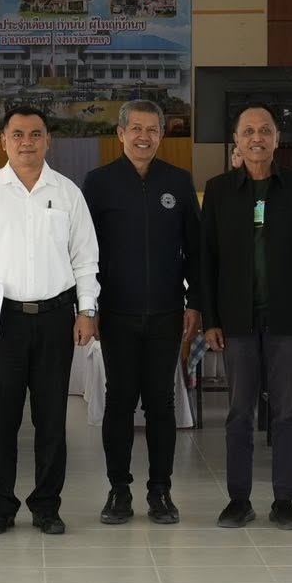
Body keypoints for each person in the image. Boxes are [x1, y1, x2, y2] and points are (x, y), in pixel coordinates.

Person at [0, 105, 100, 535]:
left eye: (35, 134)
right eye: (17, 134)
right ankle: (0, 505)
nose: (26, 142)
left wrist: (87, 310)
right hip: (2, 320)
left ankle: (46, 506)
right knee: (2, 418)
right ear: (3, 141)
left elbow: (85, 258)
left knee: (51, 419)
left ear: (48, 140)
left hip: (56, 317)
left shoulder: (68, 193)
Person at [200, 105, 292, 530]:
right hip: (237, 321)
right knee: (239, 413)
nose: (257, 138)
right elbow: (206, 259)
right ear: (236, 140)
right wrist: (211, 319)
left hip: (288, 320)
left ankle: (284, 500)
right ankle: (239, 499)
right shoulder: (219, 190)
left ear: (277, 139)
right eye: (249, 131)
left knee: (286, 413)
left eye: (265, 130)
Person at [81, 100, 201, 525]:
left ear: (161, 135)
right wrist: (89, 307)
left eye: (152, 129)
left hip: (167, 312)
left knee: (162, 404)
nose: (144, 137)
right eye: (136, 128)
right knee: (119, 402)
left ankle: (160, 490)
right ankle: (119, 489)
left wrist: (195, 302)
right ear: (121, 133)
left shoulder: (178, 181)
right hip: (116, 312)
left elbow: (196, 248)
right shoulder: (98, 183)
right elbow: (84, 252)